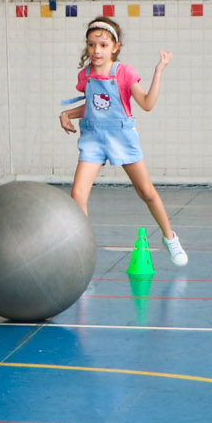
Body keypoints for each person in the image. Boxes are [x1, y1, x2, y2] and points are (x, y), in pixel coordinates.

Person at [58, 16, 185, 265]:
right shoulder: (86, 76)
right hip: (93, 138)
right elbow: (94, 107)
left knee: (146, 192)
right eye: (92, 45)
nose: (96, 50)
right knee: (78, 195)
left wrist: (158, 71)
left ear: (115, 47)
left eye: (103, 45)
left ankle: (170, 238)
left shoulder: (124, 73)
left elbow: (147, 104)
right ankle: (83, 248)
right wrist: (66, 114)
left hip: (122, 136)